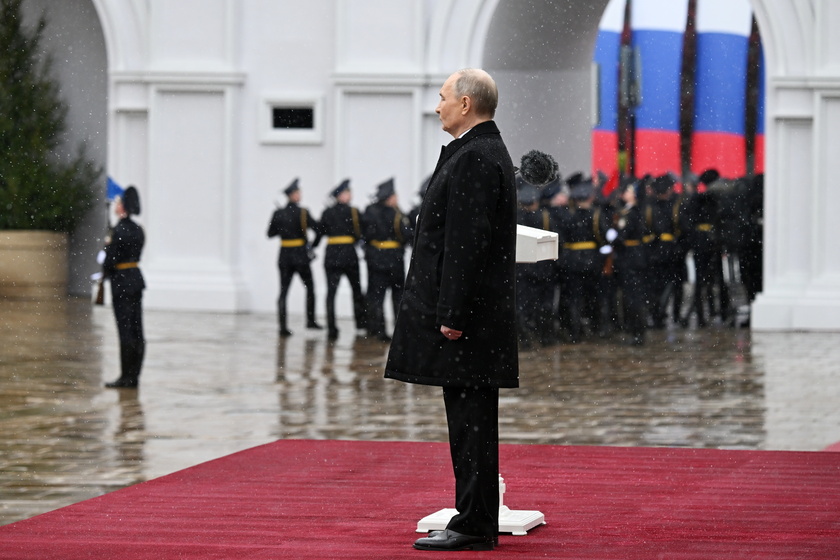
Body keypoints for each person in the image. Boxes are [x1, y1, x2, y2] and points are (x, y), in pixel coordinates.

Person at [385, 68, 518, 552]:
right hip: (474, 317)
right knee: (469, 421)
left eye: (442, 98)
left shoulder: (475, 158)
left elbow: (466, 243)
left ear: (466, 104)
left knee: (471, 424)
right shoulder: (476, 151)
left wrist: (453, 315)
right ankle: (473, 515)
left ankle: (475, 523)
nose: (436, 106)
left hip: (470, 322)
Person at [267, 178, 322, 336]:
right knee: (310, 287)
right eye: (298, 193)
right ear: (293, 195)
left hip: (284, 255)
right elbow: (318, 229)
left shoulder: (278, 213)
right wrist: (313, 245)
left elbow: (270, 234)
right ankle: (310, 320)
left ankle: (282, 326)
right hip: (300, 255)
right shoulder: (303, 212)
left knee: (284, 291)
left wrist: (282, 226)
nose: (300, 195)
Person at [103, 186, 146, 389]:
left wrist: (105, 270)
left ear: (123, 208)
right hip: (135, 278)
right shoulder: (138, 229)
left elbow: (111, 259)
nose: (116, 205)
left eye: (118, 202)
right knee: (137, 330)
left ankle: (126, 377)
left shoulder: (119, 230)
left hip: (121, 281)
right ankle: (134, 375)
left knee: (126, 331)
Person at [361, 178, 412, 342]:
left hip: (376, 260)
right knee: (397, 297)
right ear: (390, 197)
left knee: (376, 297)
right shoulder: (397, 213)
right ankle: (399, 330)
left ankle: (377, 329)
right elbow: (406, 235)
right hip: (395, 260)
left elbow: (365, 235)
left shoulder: (369, 211)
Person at [317, 179, 366, 340]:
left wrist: (311, 246)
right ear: (341, 195)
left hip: (331, 255)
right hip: (349, 255)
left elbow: (319, 234)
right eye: (348, 192)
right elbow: (360, 234)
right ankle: (360, 323)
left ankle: (331, 328)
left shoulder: (327, 212)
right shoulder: (353, 212)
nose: (350, 195)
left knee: (331, 293)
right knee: (356, 291)